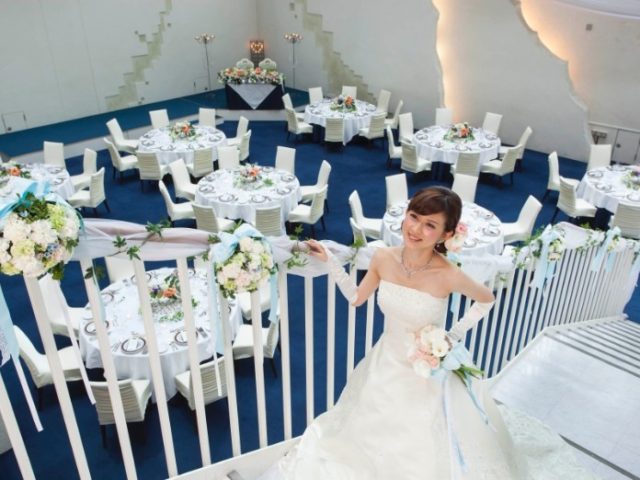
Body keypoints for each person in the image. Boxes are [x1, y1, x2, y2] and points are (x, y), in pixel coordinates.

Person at [259, 187, 593, 479]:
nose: (416, 229)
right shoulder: (383, 257)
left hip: (427, 374)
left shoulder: (448, 273)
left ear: (446, 235)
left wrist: (450, 338)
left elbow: (486, 300)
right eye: (414, 216)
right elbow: (357, 298)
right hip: (385, 361)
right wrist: (331, 261)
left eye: (430, 224)